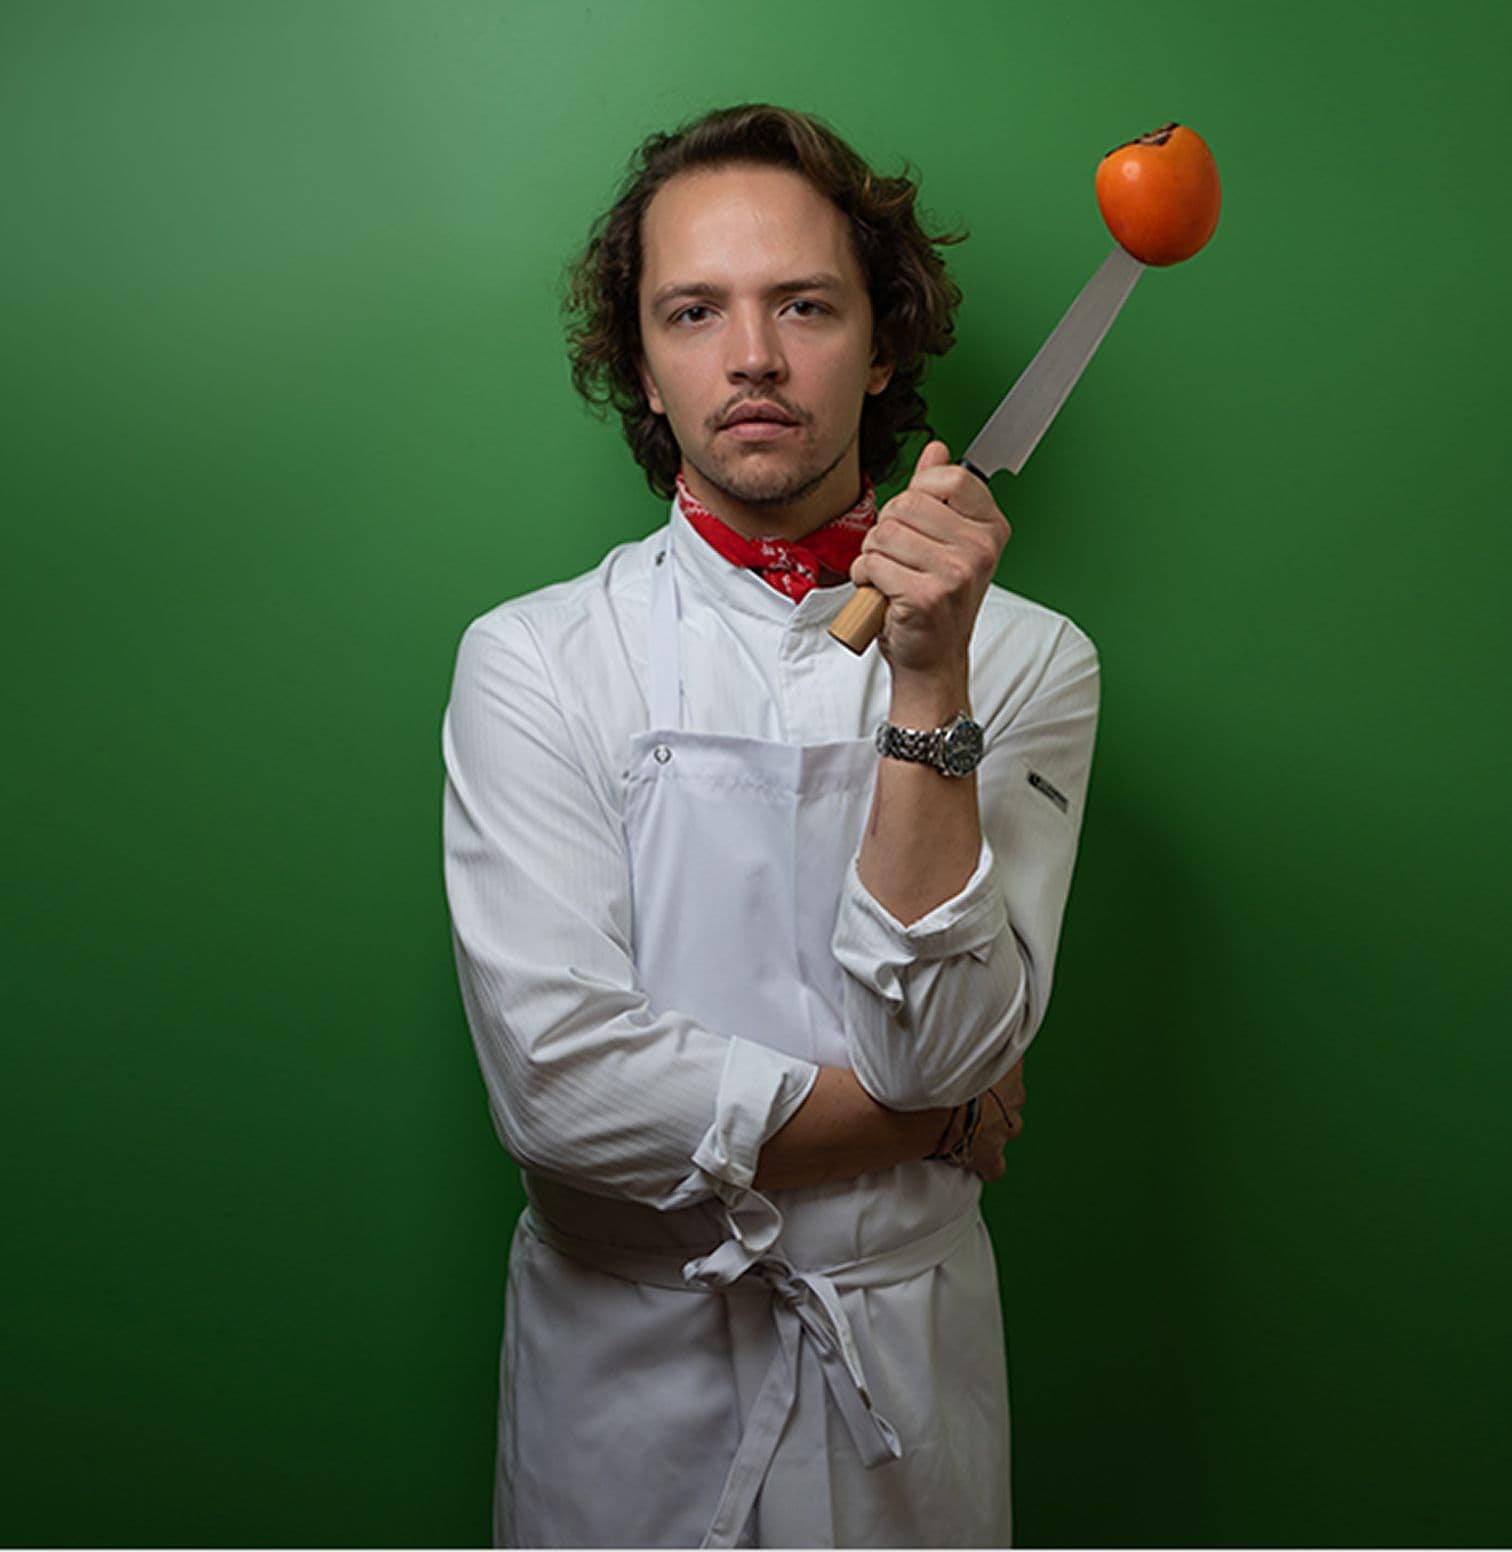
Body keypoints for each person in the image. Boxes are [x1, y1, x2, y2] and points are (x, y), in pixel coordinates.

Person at [441, 102, 1100, 1549]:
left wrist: (932, 672)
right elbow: (559, 1089)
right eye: (695, 311)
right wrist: (923, 1118)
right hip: (619, 1398)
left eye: (804, 303)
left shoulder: (1036, 662)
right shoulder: (538, 660)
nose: (752, 355)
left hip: (903, 1398)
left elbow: (938, 1034)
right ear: (644, 363)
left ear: (882, 343)